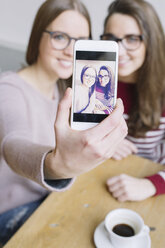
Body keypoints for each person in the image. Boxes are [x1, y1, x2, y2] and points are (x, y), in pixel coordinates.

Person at [0, 0, 127, 245]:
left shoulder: (66, 90)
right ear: (39, 36)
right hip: (11, 212)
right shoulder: (9, 89)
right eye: (60, 37)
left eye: (79, 41)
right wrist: (56, 166)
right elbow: (13, 143)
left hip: (51, 199)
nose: (71, 50)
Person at [100, 0, 165, 202]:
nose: (119, 51)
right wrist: (105, 142)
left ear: (151, 41)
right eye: (111, 38)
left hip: (152, 182)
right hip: (104, 176)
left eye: (131, 39)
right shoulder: (94, 79)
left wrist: (151, 184)